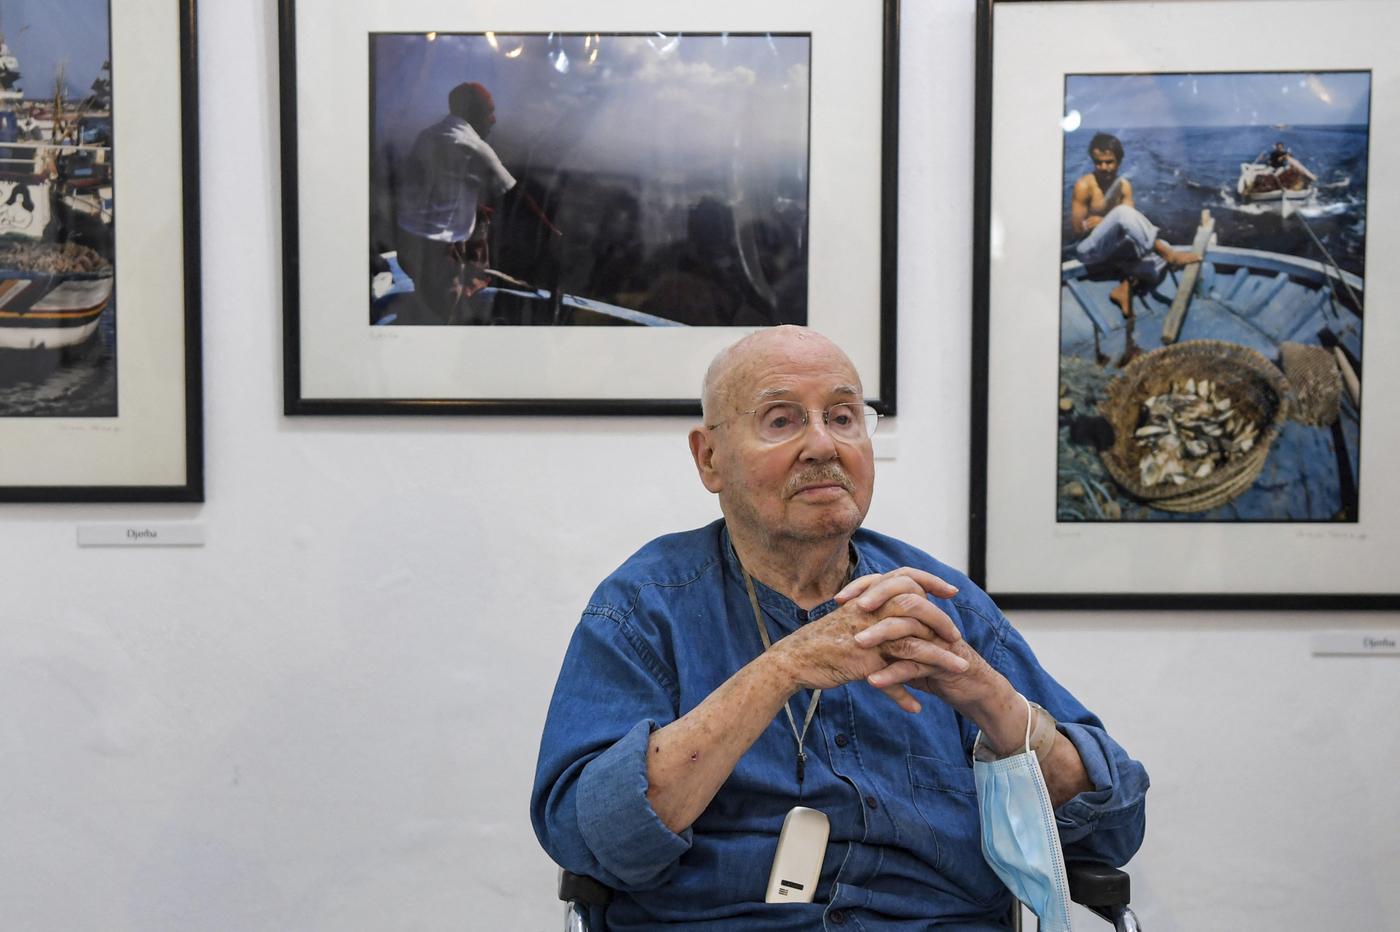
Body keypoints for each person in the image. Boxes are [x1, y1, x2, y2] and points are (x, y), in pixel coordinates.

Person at [531, 326, 1149, 930]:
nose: (823, 445)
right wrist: (782, 669)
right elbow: (592, 840)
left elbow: (1114, 827)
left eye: (844, 416)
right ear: (709, 458)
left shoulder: (939, 603)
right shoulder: (643, 607)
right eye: (781, 420)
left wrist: (989, 699)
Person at [393, 81, 559, 325]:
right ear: (471, 112)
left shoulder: (428, 135)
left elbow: (427, 187)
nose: (493, 120)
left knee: (479, 219)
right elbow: (515, 195)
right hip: (437, 253)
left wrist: (473, 208)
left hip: (406, 243)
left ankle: (445, 295)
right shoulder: (473, 145)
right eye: (488, 112)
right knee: (440, 319)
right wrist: (550, 231)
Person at [1069, 132, 1200, 319]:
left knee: (1155, 256)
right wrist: (1104, 223)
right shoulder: (1084, 186)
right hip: (1089, 249)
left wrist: (1107, 222)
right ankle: (1169, 256)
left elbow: (1131, 226)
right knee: (1123, 214)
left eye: (1109, 162)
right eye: (1098, 162)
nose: (1103, 167)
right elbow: (1077, 231)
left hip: (1113, 249)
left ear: (1119, 161)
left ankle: (1124, 287)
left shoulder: (1124, 186)